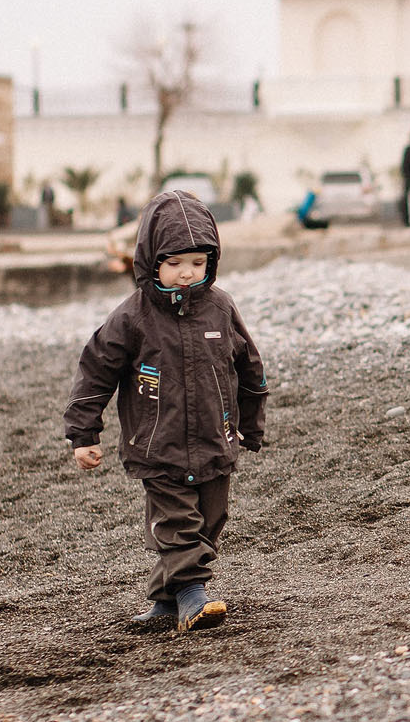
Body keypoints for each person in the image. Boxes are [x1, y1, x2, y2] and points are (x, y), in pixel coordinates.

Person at [64, 190, 269, 635]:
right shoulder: (133, 317)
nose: (186, 274)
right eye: (175, 263)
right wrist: (84, 434)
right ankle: (193, 592)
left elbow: (250, 369)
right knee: (178, 523)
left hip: (216, 441)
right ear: (151, 261)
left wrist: (251, 425)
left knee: (211, 522)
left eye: (197, 263)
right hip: (157, 446)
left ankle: (164, 601)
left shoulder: (220, 308)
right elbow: (95, 371)